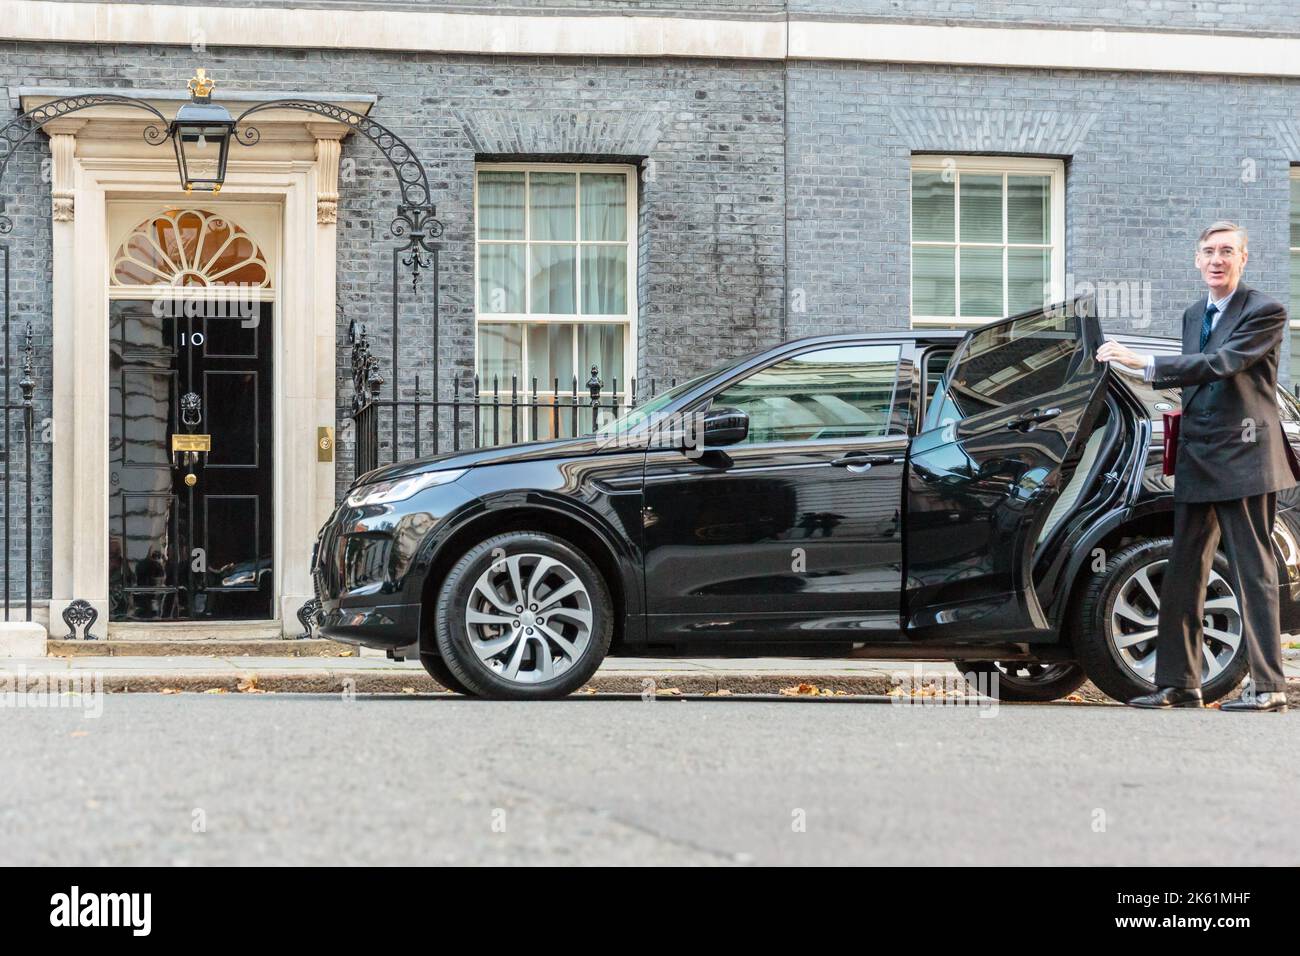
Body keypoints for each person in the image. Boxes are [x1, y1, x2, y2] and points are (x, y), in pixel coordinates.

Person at [1096, 221, 1295, 712]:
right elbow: (1196, 387)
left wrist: (1144, 364)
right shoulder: (1192, 313)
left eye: (1227, 251)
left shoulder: (1265, 310)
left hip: (1247, 458)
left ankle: (1268, 686)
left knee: (1253, 571)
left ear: (1243, 259)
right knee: (1185, 571)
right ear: (1196, 259)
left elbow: (1222, 363)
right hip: (1199, 458)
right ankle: (1179, 684)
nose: (1217, 260)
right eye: (1209, 251)